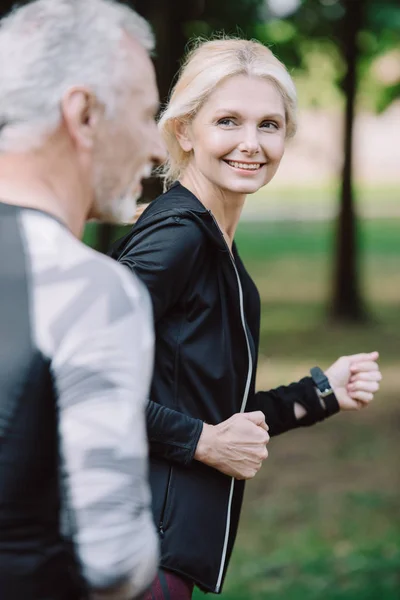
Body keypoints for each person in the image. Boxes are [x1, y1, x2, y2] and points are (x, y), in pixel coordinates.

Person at [110, 38, 382, 598]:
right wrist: (200, 443)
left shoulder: (213, 242)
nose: (250, 144)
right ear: (185, 131)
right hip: (132, 551)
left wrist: (320, 392)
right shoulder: (180, 237)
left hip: (161, 551)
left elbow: (209, 410)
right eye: (228, 121)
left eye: (269, 125)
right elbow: (71, 380)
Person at [0, 1, 166, 598]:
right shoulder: (88, 289)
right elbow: (113, 559)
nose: (158, 147)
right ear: (84, 113)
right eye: (147, 115)